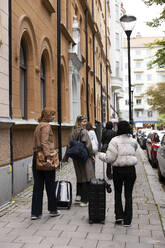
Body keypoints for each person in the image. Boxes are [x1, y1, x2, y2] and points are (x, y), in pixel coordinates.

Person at [99, 120, 138, 227]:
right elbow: (134, 151)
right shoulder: (133, 141)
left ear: (119, 128)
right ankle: (128, 220)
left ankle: (119, 216)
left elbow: (109, 158)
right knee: (128, 195)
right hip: (131, 170)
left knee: (118, 193)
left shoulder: (114, 141)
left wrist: (100, 155)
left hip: (119, 170)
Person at [31, 107, 60, 220]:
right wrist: (48, 157)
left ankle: (35, 213)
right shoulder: (46, 126)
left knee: (37, 186)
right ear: (47, 115)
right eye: (52, 115)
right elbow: (44, 142)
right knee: (50, 185)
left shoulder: (39, 125)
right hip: (45, 157)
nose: (54, 117)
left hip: (36, 157)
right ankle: (53, 210)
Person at [63, 115, 95, 207]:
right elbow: (88, 145)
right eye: (84, 121)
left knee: (79, 176)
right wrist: (92, 155)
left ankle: (78, 196)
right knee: (86, 177)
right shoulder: (84, 131)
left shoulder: (73, 131)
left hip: (76, 158)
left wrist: (65, 158)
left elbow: (69, 145)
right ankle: (84, 200)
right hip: (84, 157)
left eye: (86, 121)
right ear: (79, 122)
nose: (85, 123)